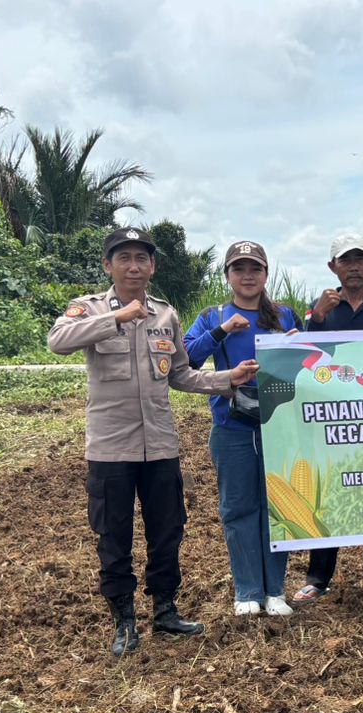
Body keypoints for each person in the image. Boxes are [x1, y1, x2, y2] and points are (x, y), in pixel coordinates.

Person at [48, 227, 259, 657]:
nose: (133, 266)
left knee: (168, 531)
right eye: (124, 258)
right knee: (114, 536)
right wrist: (116, 319)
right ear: (108, 265)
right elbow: (57, 341)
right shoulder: (88, 308)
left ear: (152, 266)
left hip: (160, 444)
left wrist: (228, 379)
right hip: (111, 448)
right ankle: (124, 620)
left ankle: (165, 611)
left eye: (141, 258)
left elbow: (181, 374)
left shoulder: (166, 315)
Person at [184, 240, 303, 615]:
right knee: (237, 508)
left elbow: (310, 366)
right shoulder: (213, 316)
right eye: (239, 268)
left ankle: (275, 591)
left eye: (255, 268)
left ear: (266, 274)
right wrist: (221, 331)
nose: (247, 276)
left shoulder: (285, 316)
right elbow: (185, 359)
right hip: (231, 425)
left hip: (279, 426)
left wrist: (298, 347)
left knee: (278, 506)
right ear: (227, 275)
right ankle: (247, 591)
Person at [293, 234, 363, 605]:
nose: (354, 267)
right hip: (331, 420)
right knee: (328, 490)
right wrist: (317, 318)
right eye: (346, 260)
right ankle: (318, 577)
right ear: (333, 267)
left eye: (360, 259)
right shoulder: (319, 309)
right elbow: (304, 359)